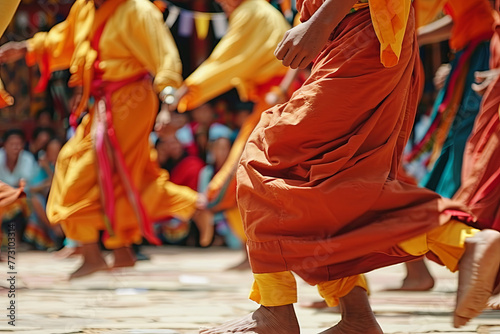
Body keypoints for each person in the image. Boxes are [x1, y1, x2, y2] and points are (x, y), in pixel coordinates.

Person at [200, 1, 500, 333]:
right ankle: (356, 317)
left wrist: (319, 23)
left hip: (364, 30)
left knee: (265, 159)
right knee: (333, 178)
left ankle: (460, 239)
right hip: (361, 36)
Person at [0, 0, 213, 279]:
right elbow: (65, 39)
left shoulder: (139, 10)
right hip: (103, 103)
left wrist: (167, 106)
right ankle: (173, 217)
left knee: (89, 174)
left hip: (132, 101)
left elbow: (165, 59)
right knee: (90, 167)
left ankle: (92, 253)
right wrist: (28, 48)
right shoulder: (86, 8)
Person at [396, 0, 497, 292]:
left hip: (483, 60)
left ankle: (481, 258)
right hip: (471, 58)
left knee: (471, 160)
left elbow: (485, 20)